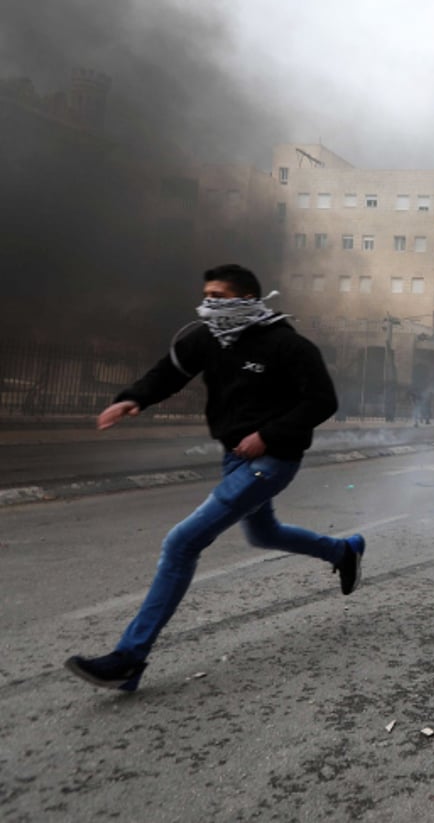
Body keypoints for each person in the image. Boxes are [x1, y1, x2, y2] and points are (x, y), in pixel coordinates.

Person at [64, 264, 366, 692]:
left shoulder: (286, 343)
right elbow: (168, 373)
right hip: (233, 458)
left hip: (273, 460)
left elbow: (322, 400)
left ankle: (129, 658)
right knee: (264, 535)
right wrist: (132, 399)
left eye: (220, 296)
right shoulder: (206, 338)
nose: (210, 304)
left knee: (182, 542)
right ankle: (343, 551)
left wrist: (268, 435)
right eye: (207, 294)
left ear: (247, 299)